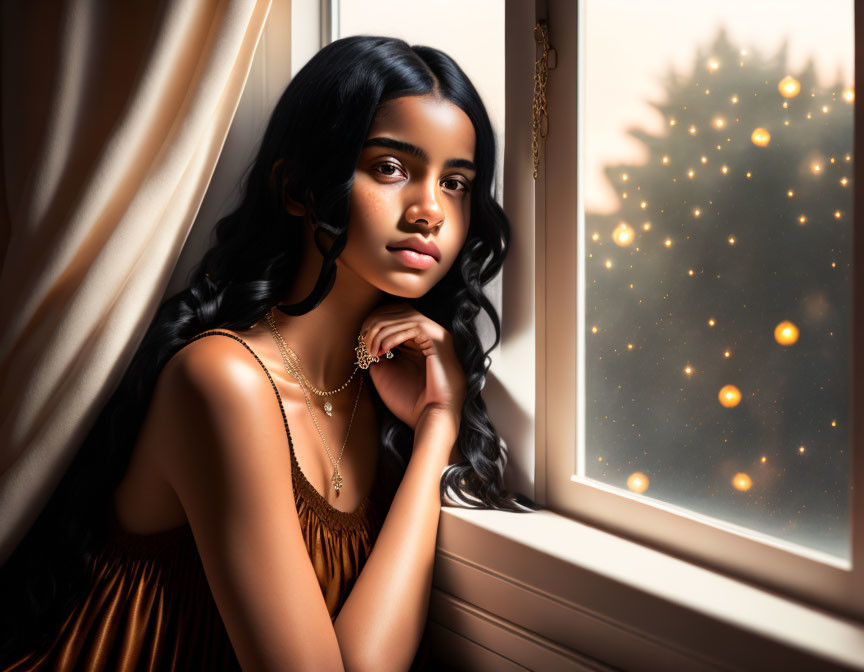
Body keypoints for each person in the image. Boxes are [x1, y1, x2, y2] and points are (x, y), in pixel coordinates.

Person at [0, 35, 541, 671]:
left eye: (455, 183)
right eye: (392, 168)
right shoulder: (222, 381)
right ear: (298, 189)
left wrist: (438, 425)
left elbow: (364, 662)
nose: (429, 212)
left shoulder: (376, 392)